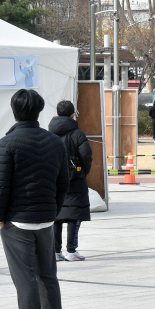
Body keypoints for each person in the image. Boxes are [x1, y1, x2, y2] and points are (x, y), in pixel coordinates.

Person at [0, 89, 70, 309]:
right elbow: (63, 182)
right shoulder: (54, 142)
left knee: (24, 276)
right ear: (39, 110)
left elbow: (1, 186)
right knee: (47, 274)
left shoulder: (7, 143)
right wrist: (54, 210)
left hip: (17, 220)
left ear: (14, 111)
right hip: (46, 218)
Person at [48, 100, 93, 262]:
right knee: (74, 214)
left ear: (57, 113)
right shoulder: (77, 133)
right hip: (75, 179)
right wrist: (83, 172)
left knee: (56, 216)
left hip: (54, 179)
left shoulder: (49, 132)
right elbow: (86, 155)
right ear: (73, 114)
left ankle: (55, 251)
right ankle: (71, 251)